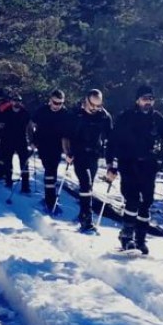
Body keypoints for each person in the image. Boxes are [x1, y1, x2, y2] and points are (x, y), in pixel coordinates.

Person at [108, 85, 163, 254]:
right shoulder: (126, 117)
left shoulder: (157, 118)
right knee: (132, 200)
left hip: (149, 165)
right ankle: (126, 237)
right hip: (128, 163)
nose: (148, 102)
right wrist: (110, 164)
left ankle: (140, 240)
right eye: (145, 99)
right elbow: (113, 141)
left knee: (146, 202)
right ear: (137, 100)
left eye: (151, 99)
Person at [64, 89, 114, 233]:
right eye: (93, 105)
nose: (95, 109)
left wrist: (111, 164)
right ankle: (87, 219)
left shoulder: (104, 116)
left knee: (89, 185)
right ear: (86, 100)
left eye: (98, 106)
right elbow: (66, 135)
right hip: (78, 153)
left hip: (94, 154)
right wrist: (67, 152)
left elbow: (111, 140)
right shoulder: (76, 114)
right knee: (85, 182)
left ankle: (82, 213)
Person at [31, 89, 71, 215]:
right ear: (50, 100)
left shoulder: (65, 114)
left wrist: (67, 151)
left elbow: (66, 135)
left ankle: (50, 200)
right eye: (55, 102)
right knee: (49, 170)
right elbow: (31, 124)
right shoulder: (42, 110)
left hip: (56, 147)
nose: (57, 106)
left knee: (51, 171)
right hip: (42, 144)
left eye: (60, 103)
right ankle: (49, 198)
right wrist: (32, 139)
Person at [0, 89, 34, 193]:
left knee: (24, 162)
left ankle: (25, 186)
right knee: (8, 162)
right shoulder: (6, 112)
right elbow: (0, 124)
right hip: (7, 140)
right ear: (11, 101)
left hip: (21, 140)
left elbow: (29, 128)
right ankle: (8, 181)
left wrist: (31, 141)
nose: (17, 103)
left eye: (19, 101)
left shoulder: (25, 113)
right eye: (15, 100)